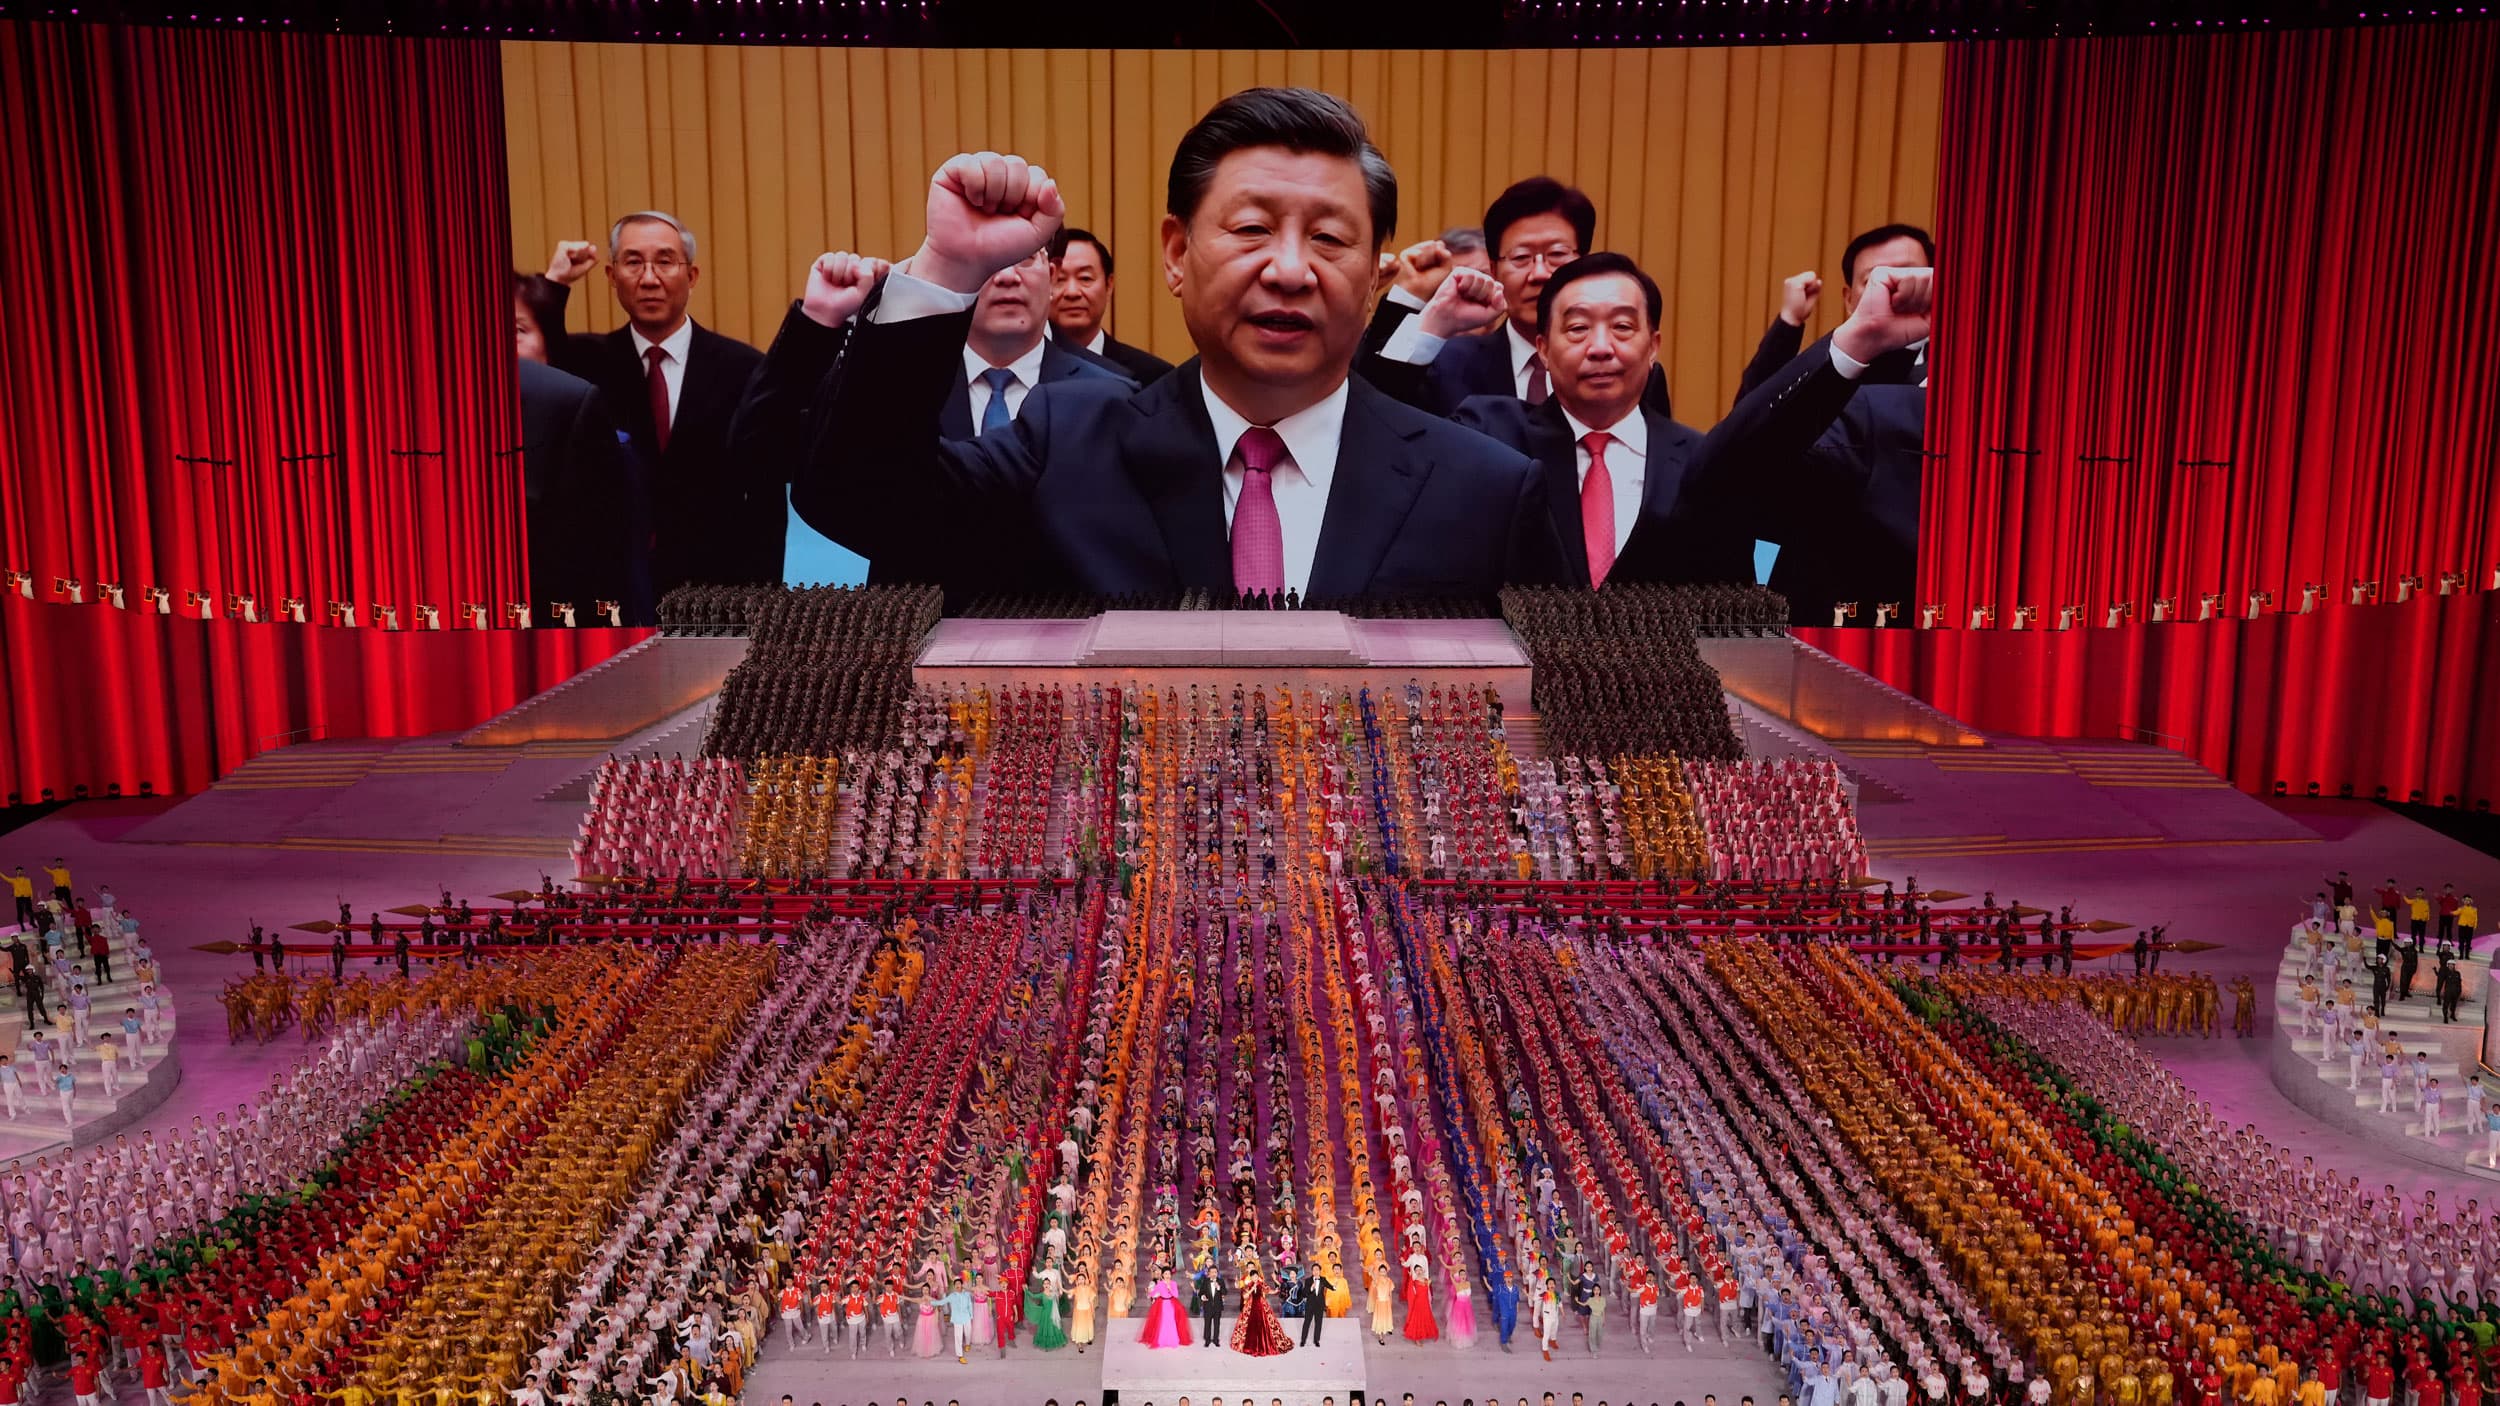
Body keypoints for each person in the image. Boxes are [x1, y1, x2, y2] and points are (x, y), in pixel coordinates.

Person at [770, 87, 1567, 601]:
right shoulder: (1067, 447)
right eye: (1251, 229)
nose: (1289, 270)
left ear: (1371, 277)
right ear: (1177, 253)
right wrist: (948, 269)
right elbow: (854, 501)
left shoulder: (1487, 490)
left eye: (1330, 239)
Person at [1374, 252, 1757, 587]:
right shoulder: (1493, 431)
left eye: (1623, 327)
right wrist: (1434, 324)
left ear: (1653, 346)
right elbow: (1380, 434)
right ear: (1543, 349)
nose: (1601, 348)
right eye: (1578, 329)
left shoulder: (1699, 459)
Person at [1694, 222, 1935, 624]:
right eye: (1879, 279)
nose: (1898, 288)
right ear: (1850, 296)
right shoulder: (1836, 368)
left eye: (1912, 275)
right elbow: (1745, 438)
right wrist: (1790, 323)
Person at [534, 212, 772, 596]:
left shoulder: (744, 368)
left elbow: (764, 494)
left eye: (664, 261)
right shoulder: (584, 363)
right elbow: (530, 357)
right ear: (612, 278)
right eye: (633, 263)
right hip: (610, 586)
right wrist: (555, 282)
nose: (649, 279)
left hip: (718, 591)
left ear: (691, 277)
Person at [1366, 178, 1671, 419]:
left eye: (1557, 255)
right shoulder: (1449, 363)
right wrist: (1426, 313)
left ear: (1583, 264)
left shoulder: (1625, 368)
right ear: (1495, 269)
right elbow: (1374, 407)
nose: (1539, 273)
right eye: (1521, 257)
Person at [1048, 228, 1177, 383]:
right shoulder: (1023, 369)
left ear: (1109, 286)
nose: (1072, 292)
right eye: (1060, 279)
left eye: (1085, 278)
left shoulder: (1154, 376)